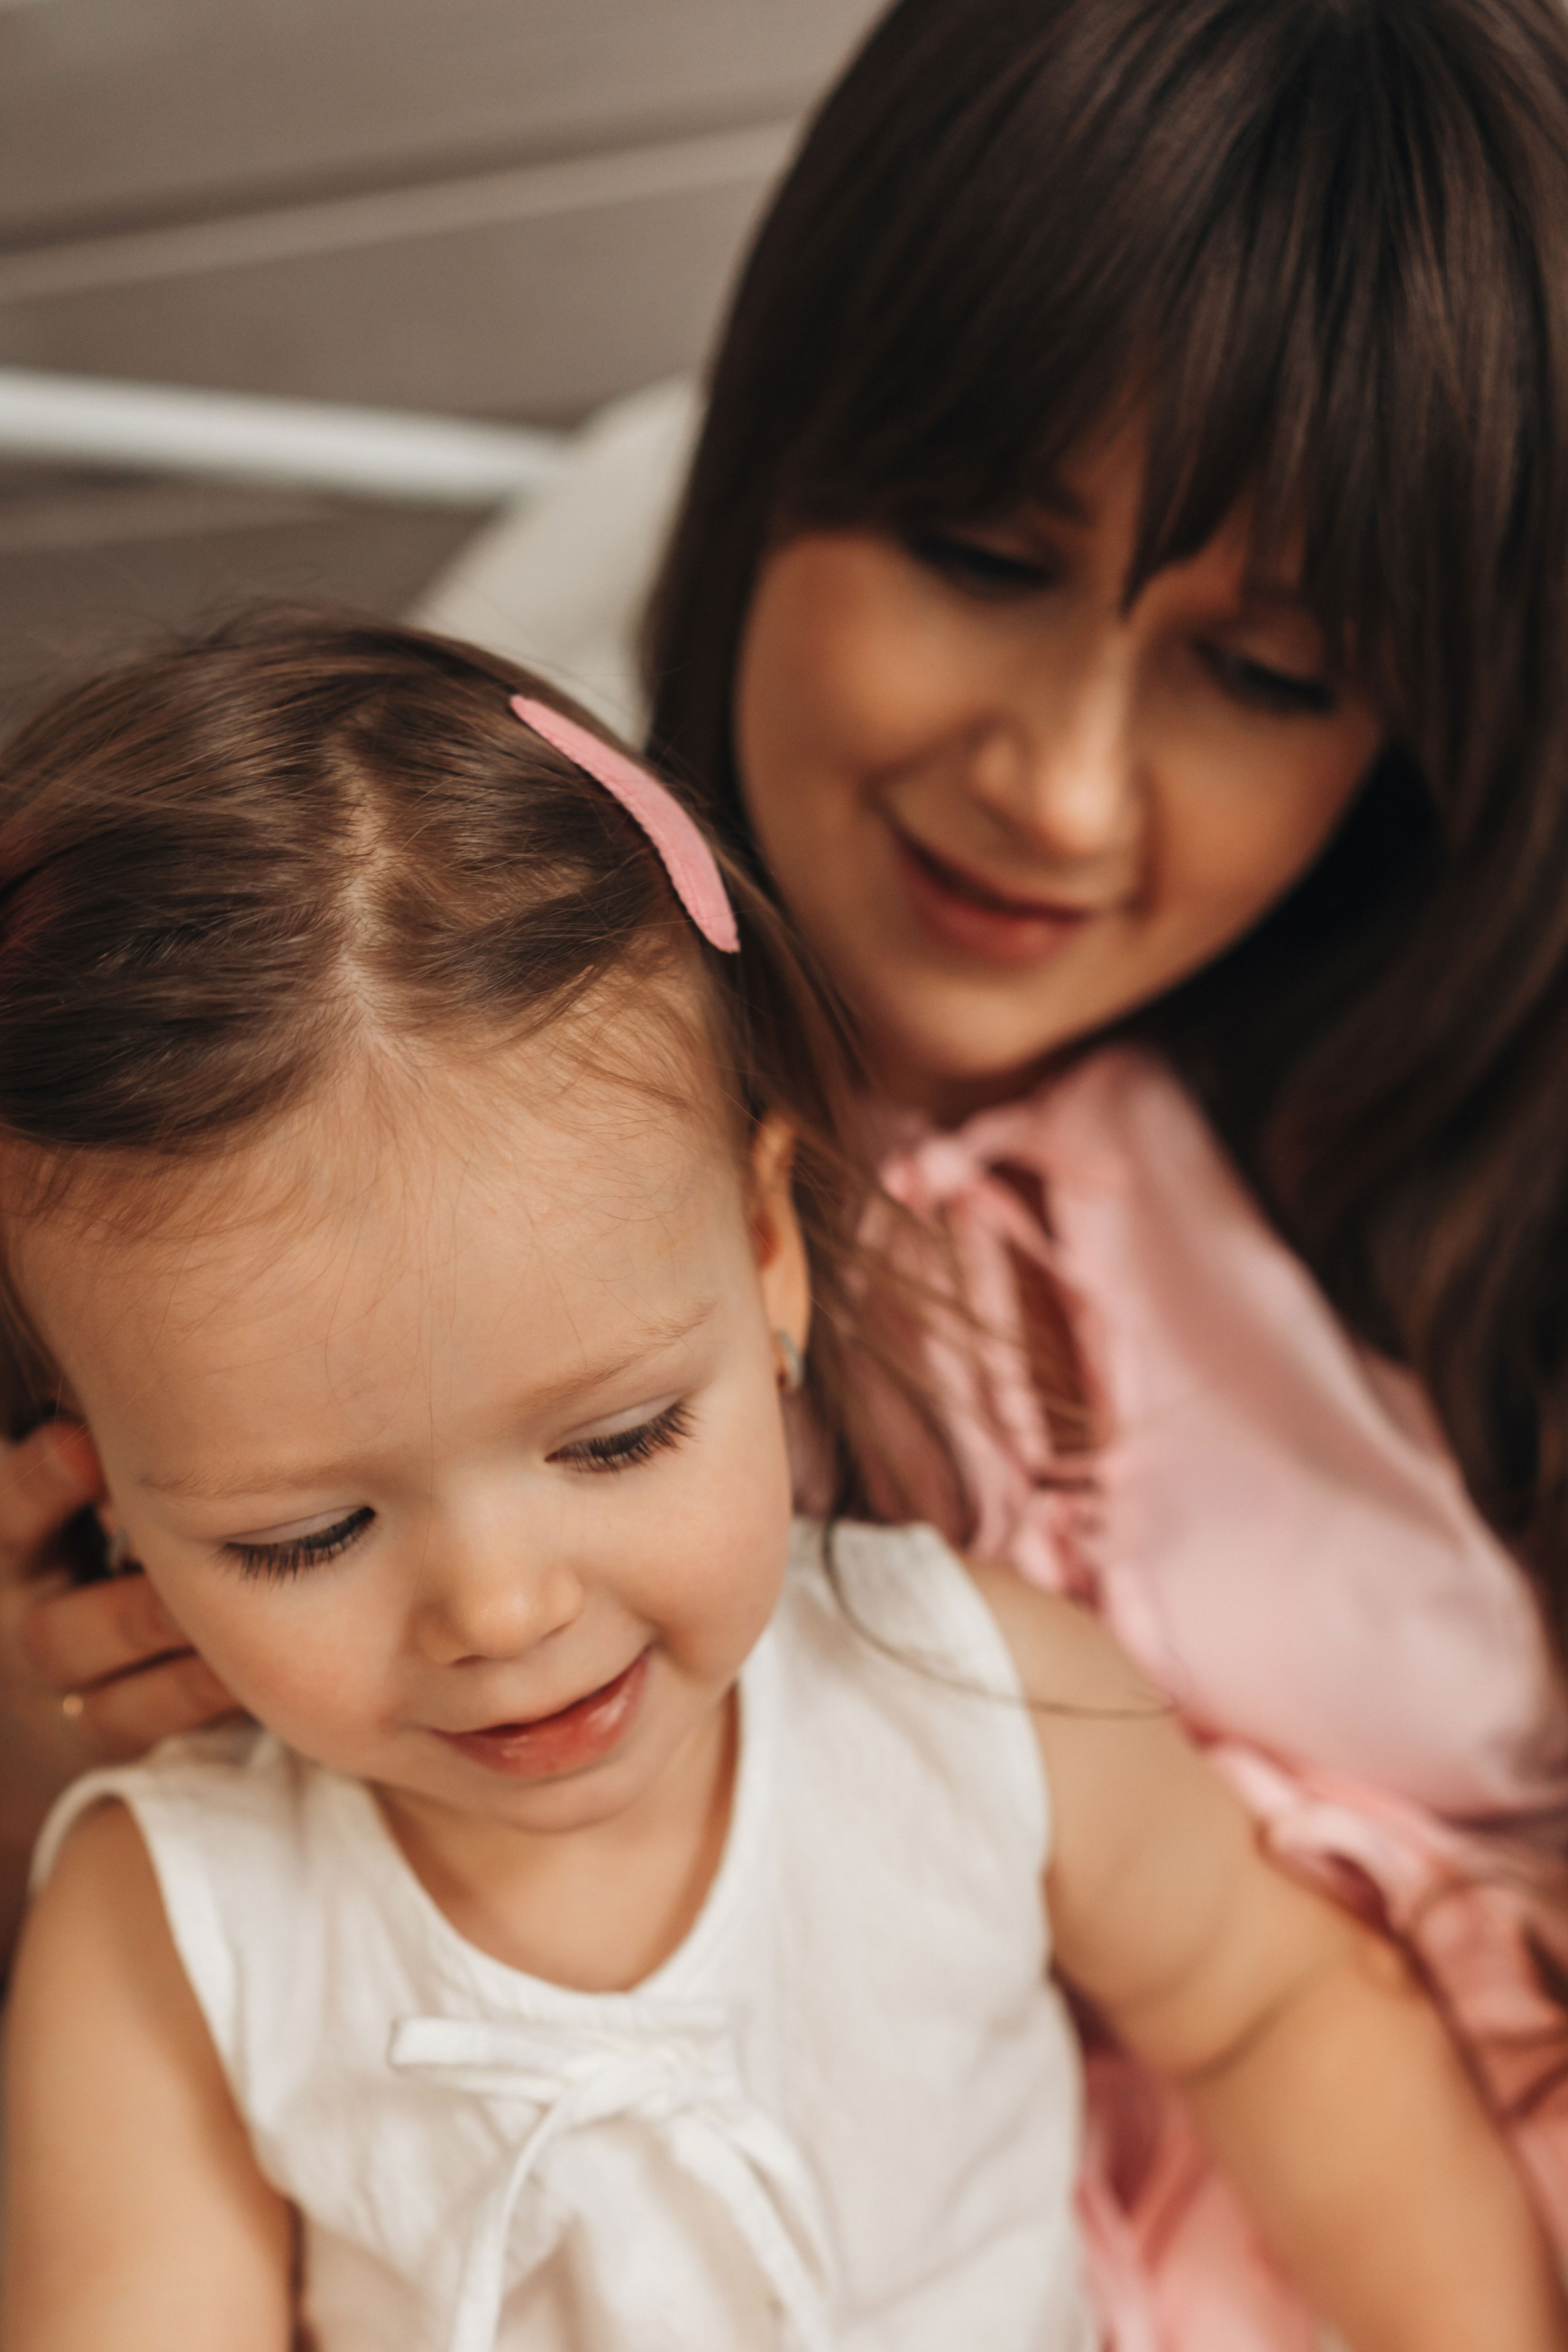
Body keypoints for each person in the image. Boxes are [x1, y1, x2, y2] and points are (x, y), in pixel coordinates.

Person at [6, 0, 1568, 2339]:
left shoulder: (1420, 1202)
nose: (1059, 785)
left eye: (1262, 671)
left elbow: (1274, 2007)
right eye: (972, 551)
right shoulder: (330, 1116)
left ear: (768, 1254)